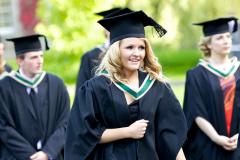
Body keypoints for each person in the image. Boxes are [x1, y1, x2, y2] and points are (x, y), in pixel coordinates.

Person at [65, 10, 187, 160]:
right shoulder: (96, 88)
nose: (137, 53)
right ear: (116, 51)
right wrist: (127, 132)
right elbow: (83, 134)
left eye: (141, 47)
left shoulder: (157, 87)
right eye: (130, 47)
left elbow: (171, 137)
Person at [0, 34, 70, 160]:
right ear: (19, 60)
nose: (40, 61)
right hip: (16, 156)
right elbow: (3, 126)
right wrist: (30, 156)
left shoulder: (57, 84)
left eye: (41, 56)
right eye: (33, 57)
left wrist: (47, 152)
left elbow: (65, 122)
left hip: (52, 156)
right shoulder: (3, 87)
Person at [183, 17, 240, 160]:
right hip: (208, 145)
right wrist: (216, 138)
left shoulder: (238, 70)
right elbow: (195, 111)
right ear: (208, 44)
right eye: (219, 38)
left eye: (228, 36)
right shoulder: (196, 75)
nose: (226, 40)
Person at [75, 7, 121, 92]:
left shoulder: (132, 56)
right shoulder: (90, 57)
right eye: (110, 26)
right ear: (105, 29)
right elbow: (81, 91)